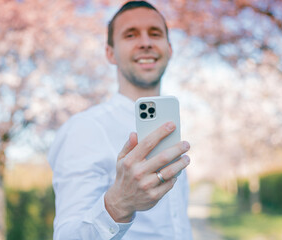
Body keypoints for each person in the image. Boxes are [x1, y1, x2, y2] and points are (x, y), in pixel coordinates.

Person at [48, 1, 192, 239]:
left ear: (169, 49)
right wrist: (118, 205)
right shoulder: (85, 129)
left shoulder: (172, 126)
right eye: (130, 35)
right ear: (110, 53)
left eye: (154, 33)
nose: (145, 42)